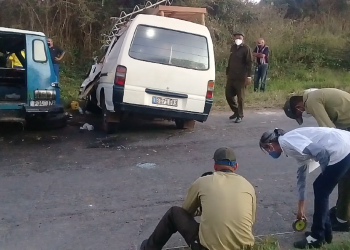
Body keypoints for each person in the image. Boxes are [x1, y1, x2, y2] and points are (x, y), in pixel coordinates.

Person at [140, 147, 256, 250]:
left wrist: (201, 209)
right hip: (245, 247)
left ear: (215, 166)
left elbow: (186, 211)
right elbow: (251, 220)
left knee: (174, 213)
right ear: (235, 166)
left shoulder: (203, 181)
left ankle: (149, 248)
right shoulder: (248, 185)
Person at [259, 127, 350, 249]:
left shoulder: (287, 141)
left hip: (341, 149)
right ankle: (325, 233)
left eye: (267, 150)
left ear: (270, 146)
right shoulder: (292, 147)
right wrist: (300, 210)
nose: (270, 152)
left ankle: (317, 237)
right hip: (345, 144)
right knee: (320, 188)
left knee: (321, 188)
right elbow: (301, 180)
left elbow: (321, 153)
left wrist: (326, 175)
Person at [283, 87, 350, 232]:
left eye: (300, 114)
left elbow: (329, 129)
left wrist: (329, 165)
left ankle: (343, 220)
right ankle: (341, 211)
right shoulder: (314, 94)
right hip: (347, 126)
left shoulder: (312, 101)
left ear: (298, 107)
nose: (305, 114)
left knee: (345, 177)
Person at [226, 31, 253, 123]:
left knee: (240, 97)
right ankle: (236, 111)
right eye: (236, 38)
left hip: (241, 77)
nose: (237, 39)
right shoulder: (233, 47)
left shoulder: (246, 49)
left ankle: (240, 115)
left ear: (243, 39)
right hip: (231, 76)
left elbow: (249, 63)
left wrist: (249, 76)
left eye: (239, 38)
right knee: (228, 95)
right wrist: (227, 72)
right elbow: (230, 60)